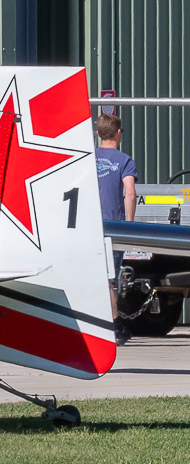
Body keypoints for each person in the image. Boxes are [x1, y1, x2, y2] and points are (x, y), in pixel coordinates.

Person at [96, 112, 137, 344]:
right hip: (112, 227)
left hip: (86, 226)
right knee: (107, 278)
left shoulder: (86, 158)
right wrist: (129, 226)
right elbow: (129, 193)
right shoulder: (124, 161)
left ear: (98, 133)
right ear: (119, 133)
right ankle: (115, 326)